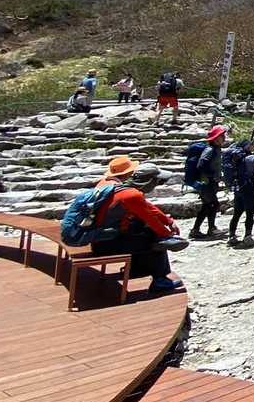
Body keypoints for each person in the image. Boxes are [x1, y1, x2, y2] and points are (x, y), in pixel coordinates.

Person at [89, 162, 183, 291]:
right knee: (156, 240)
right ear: (149, 181)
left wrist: (168, 221)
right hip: (106, 245)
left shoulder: (108, 184)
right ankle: (160, 281)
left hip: (98, 239)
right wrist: (169, 237)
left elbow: (146, 206)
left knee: (141, 231)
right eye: (157, 181)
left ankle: (136, 270)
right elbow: (151, 219)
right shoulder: (130, 195)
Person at [188, 124, 227, 238]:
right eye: (222, 136)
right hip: (207, 183)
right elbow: (201, 165)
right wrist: (211, 175)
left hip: (209, 182)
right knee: (213, 204)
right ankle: (209, 229)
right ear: (216, 139)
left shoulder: (215, 149)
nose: (224, 138)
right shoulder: (210, 150)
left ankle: (200, 229)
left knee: (208, 205)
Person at [224, 139, 254, 246]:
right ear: (248, 146)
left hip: (238, 187)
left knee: (236, 214)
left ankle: (232, 236)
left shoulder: (235, 158)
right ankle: (247, 236)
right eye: (252, 145)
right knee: (250, 213)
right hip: (250, 187)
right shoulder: (253, 158)